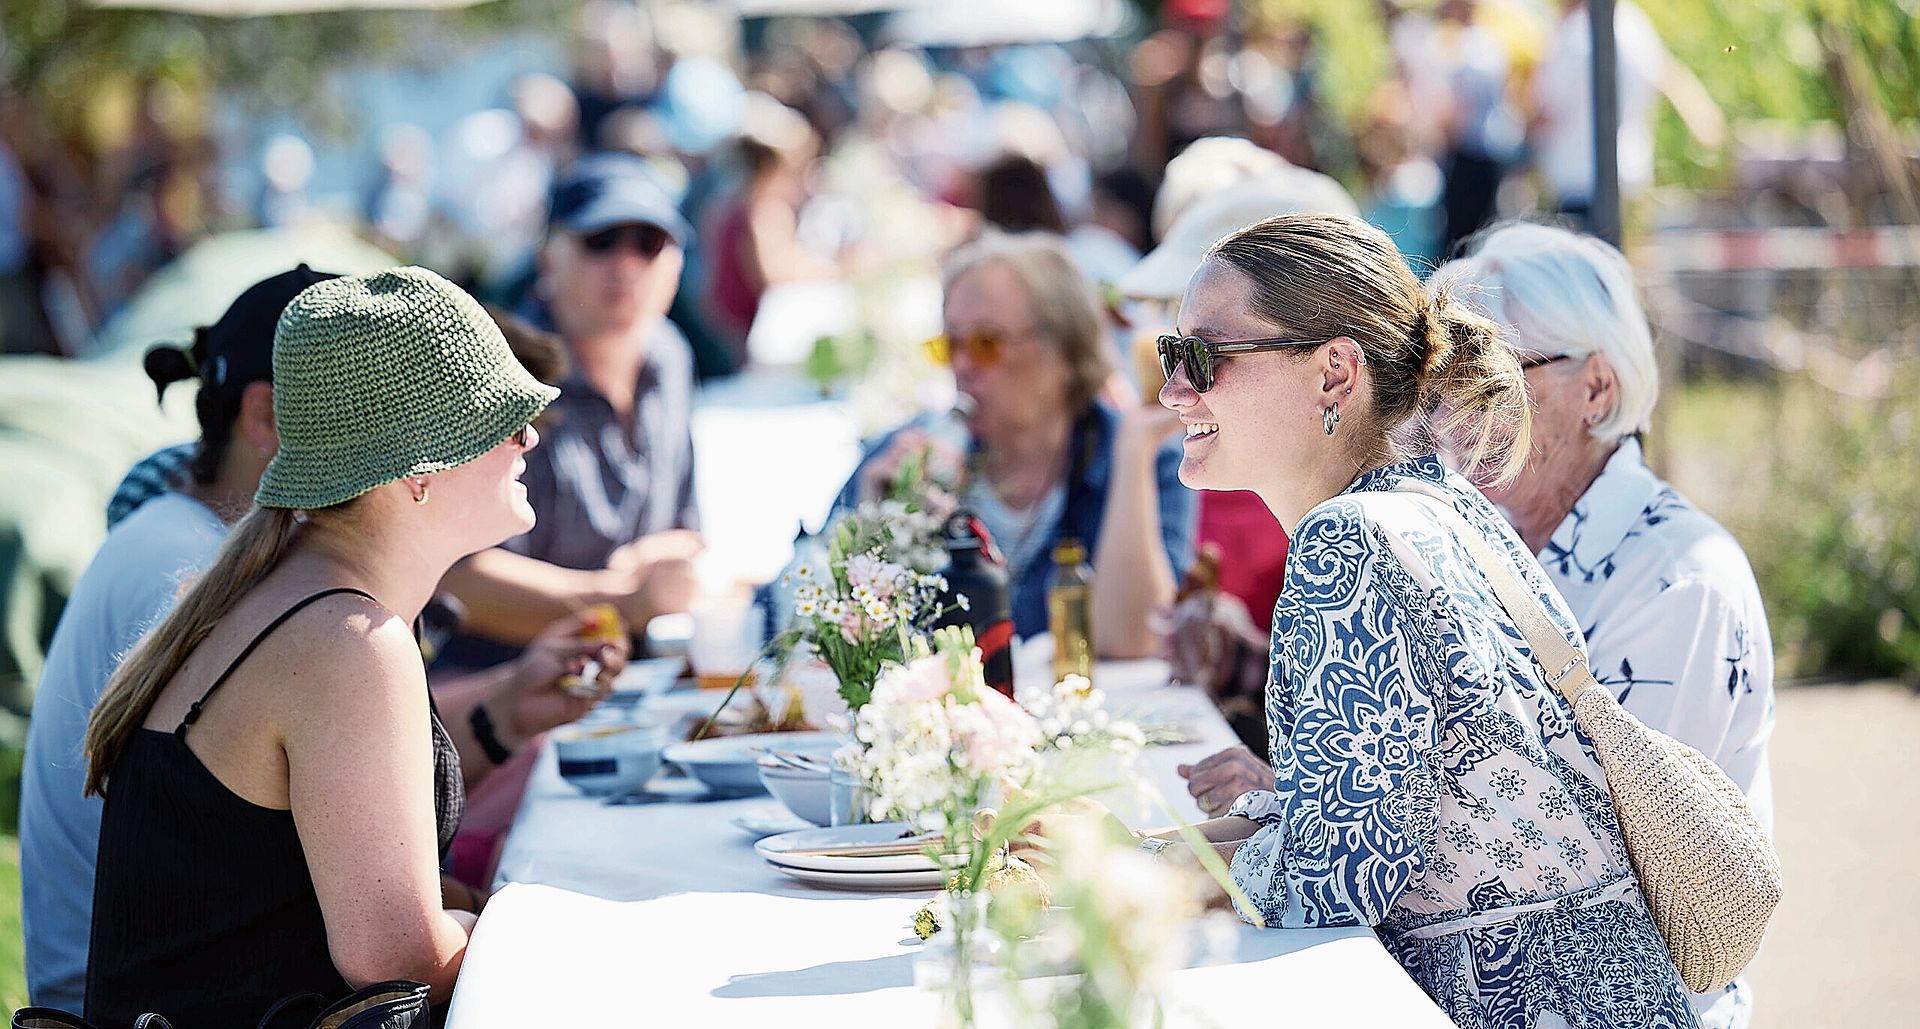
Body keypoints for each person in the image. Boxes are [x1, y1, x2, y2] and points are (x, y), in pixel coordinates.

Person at [1143, 212, 1700, 1027]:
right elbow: (1351, 820)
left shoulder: (1349, 540)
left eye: (1203, 356)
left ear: (1335, 373)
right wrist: (1151, 849)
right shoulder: (1446, 505)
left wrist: (1124, 873)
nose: (1172, 389)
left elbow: (1336, 877)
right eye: (1170, 353)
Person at [78, 266, 559, 1025]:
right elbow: (396, 960)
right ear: (418, 469)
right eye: (499, 418)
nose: (528, 435)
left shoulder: (295, 596)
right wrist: (536, 933)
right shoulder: (347, 641)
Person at [836, 231, 1195, 654]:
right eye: (949, 345)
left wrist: (1133, 456)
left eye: (986, 343)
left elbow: (1135, 641)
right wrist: (870, 527)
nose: (961, 365)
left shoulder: (1143, 455)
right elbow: (795, 620)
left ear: (1064, 351)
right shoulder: (903, 456)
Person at [439, 153, 703, 665]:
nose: (626, 264)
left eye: (649, 243)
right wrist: (621, 602)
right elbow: (457, 579)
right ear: (547, 258)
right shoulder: (495, 372)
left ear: (676, 262)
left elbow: (687, 531)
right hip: (506, 686)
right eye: (600, 241)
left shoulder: (670, 356)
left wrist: (660, 558)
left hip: (635, 678)